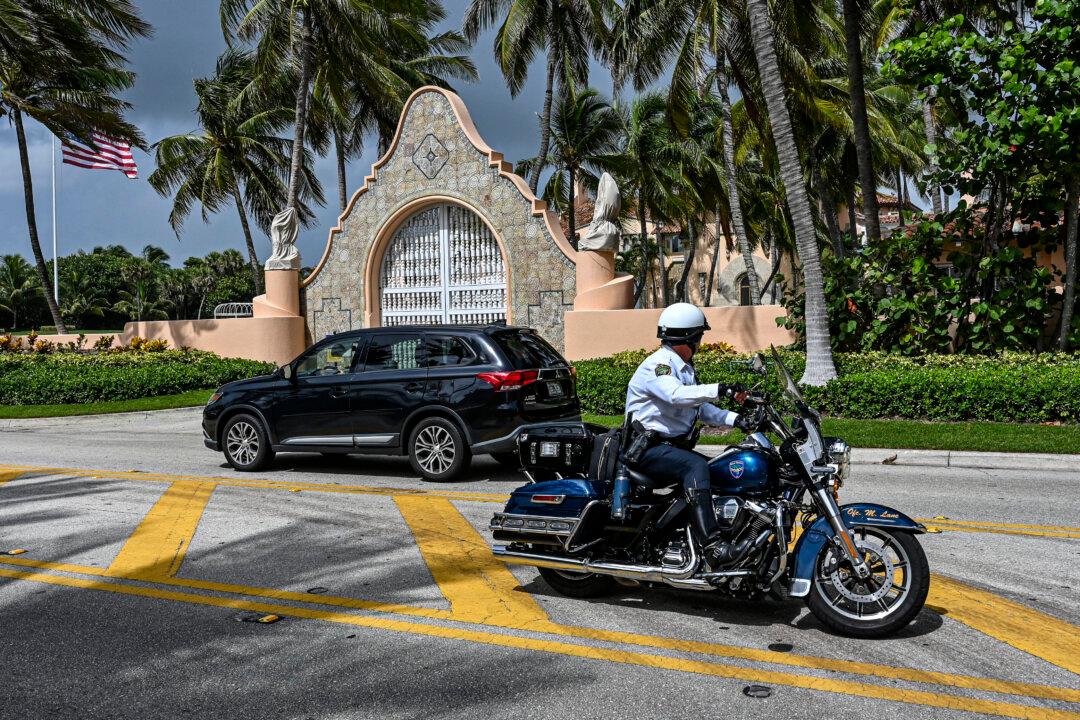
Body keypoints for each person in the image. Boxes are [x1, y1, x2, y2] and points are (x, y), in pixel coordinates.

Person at [623, 302, 756, 568]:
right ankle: (713, 547)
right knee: (695, 466)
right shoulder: (659, 366)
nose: (700, 343)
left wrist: (738, 419)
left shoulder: (683, 368)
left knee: (719, 468)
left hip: (669, 448)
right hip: (647, 450)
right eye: (699, 337)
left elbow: (699, 408)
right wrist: (721, 388)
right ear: (688, 338)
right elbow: (676, 395)